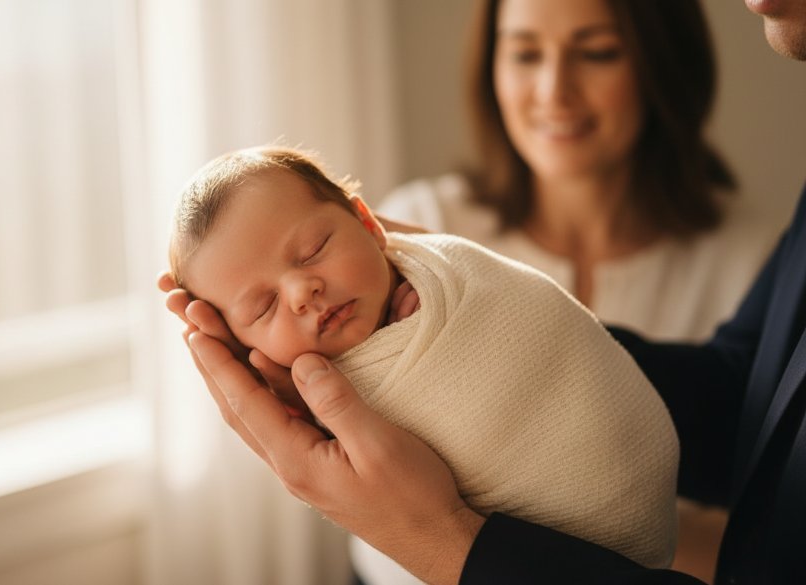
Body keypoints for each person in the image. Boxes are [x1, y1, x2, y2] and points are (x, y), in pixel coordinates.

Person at [159, 0, 806, 581]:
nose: (303, 291)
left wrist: (448, 537)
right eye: (264, 305)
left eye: (598, 51)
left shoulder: (741, 249)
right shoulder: (422, 229)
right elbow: (744, 400)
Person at [372, 0, 781, 581]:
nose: (553, 90)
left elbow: (767, 544)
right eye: (525, 53)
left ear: (661, 63)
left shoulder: (752, 257)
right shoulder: (416, 226)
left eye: (597, 53)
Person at [168, 145, 679, 568]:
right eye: (264, 306)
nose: (302, 291)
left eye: (313, 249)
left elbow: (533, 321)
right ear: (245, 346)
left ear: (368, 223)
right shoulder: (302, 393)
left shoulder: (435, 268)